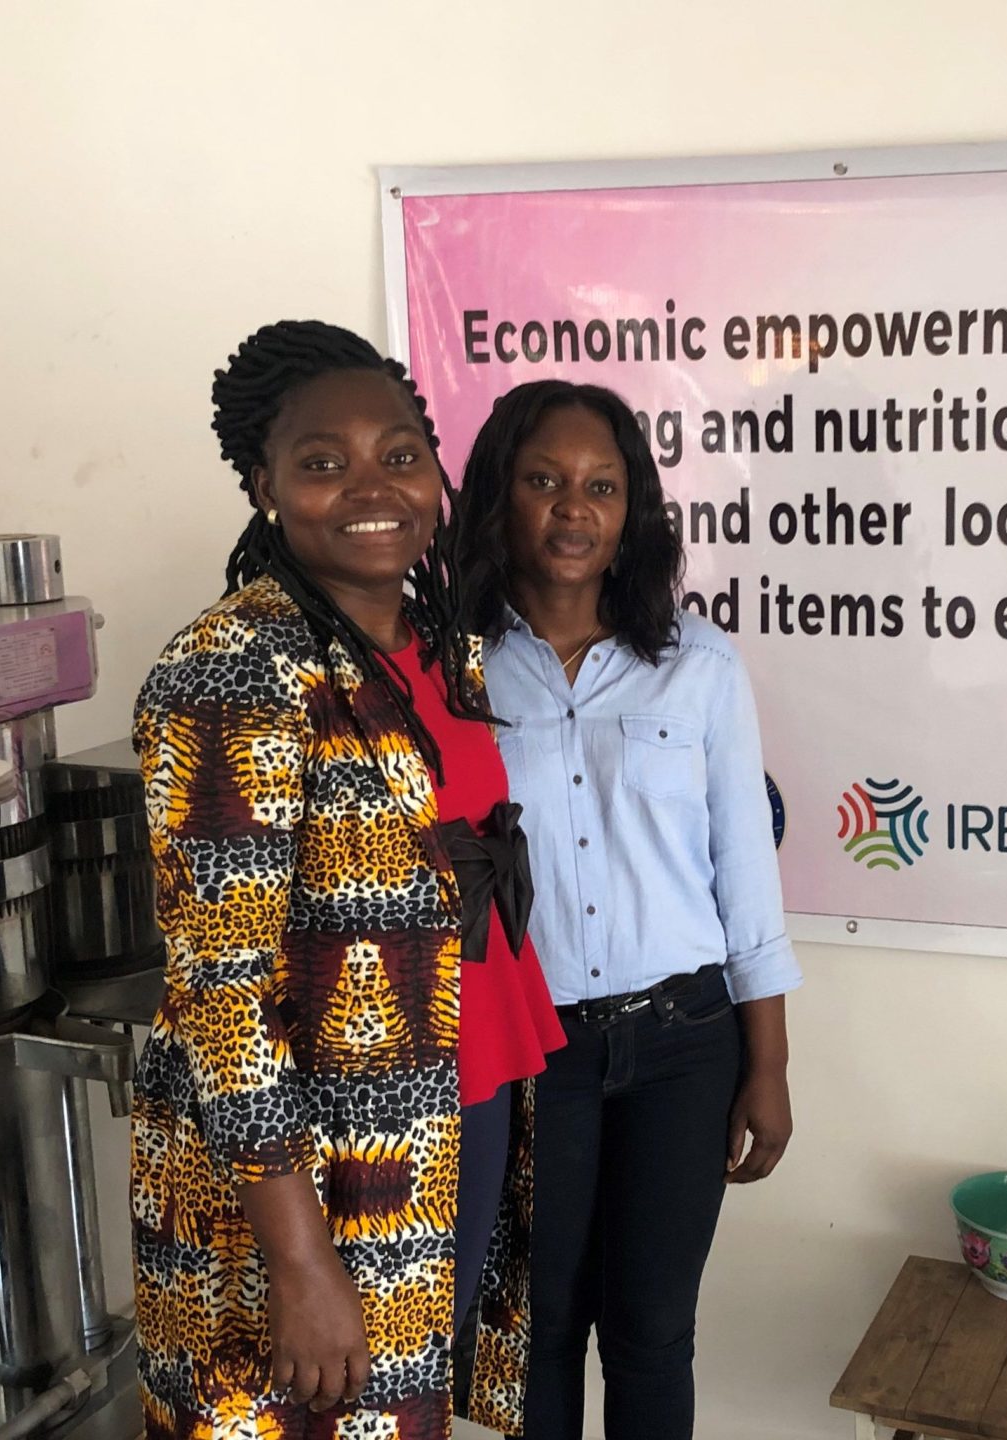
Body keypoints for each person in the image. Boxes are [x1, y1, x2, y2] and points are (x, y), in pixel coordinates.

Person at [130, 321, 565, 1439]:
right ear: (263, 485)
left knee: (405, 1416)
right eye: (323, 462)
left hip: (458, 1099)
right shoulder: (233, 668)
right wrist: (299, 1259)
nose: (372, 488)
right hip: (323, 1169)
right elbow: (220, 994)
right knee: (313, 1421)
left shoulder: (436, 644)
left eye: (400, 453)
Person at [450, 380, 800, 1440]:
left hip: (684, 1046)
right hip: (530, 1050)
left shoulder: (697, 665)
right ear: (500, 498)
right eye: (544, 481)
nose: (572, 508)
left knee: (651, 1330)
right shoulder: (450, 666)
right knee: (543, 1326)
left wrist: (769, 1064)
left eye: (600, 487)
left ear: (631, 509)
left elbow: (744, 872)